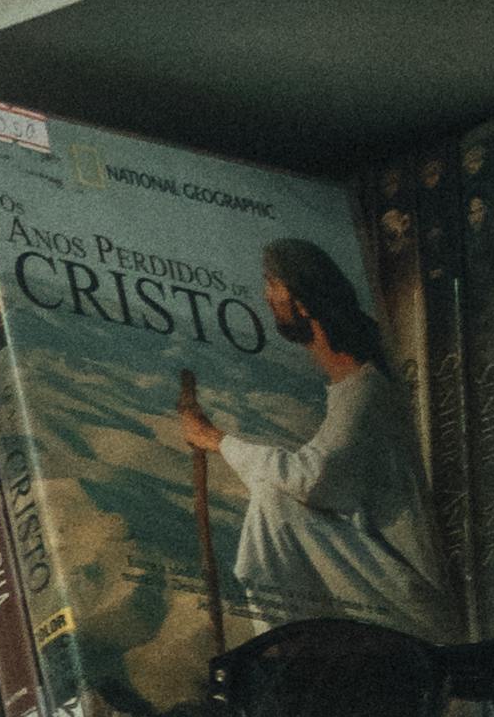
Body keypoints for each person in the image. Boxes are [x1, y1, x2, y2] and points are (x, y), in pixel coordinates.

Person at [169, 241, 460, 650]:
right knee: (277, 497)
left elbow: (312, 478)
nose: (266, 297)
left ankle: (284, 655)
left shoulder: (366, 392)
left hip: (409, 602)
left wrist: (216, 440)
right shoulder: (354, 389)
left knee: (275, 503)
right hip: (382, 585)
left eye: (273, 285)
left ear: (303, 304)